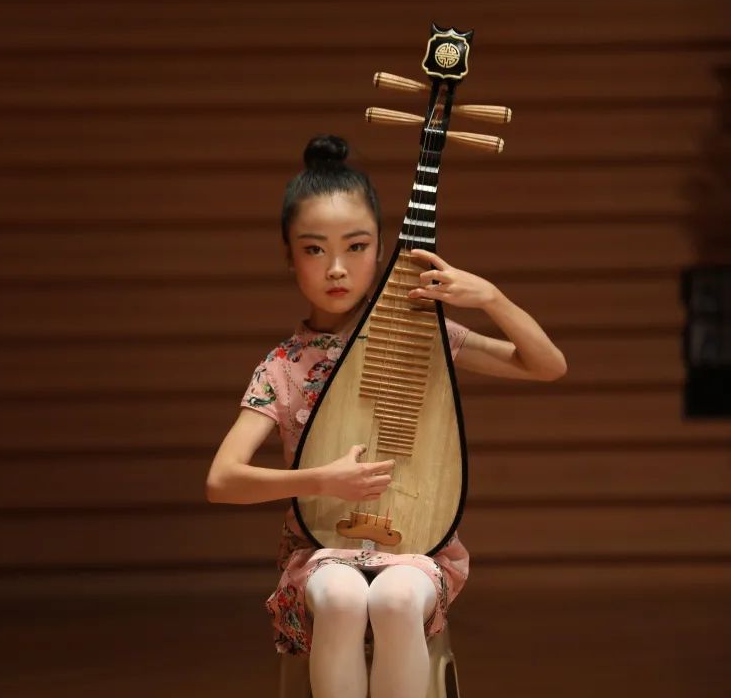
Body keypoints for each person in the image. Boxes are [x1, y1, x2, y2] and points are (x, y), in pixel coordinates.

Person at [206, 136, 566, 698]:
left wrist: (490, 298)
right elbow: (222, 481)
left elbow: (546, 365)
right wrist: (321, 480)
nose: (336, 268)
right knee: (343, 595)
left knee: (396, 596)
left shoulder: (423, 337)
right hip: (321, 551)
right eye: (314, 249)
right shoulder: (283, 366)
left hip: (418, 547)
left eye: (356, 246)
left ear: (381, 251)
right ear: (289, 256)